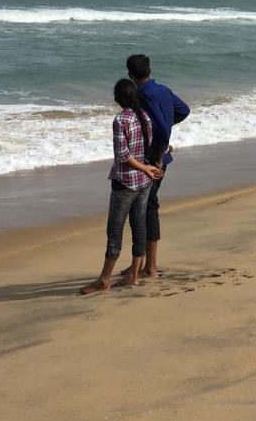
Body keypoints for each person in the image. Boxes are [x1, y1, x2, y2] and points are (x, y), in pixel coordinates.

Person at [81, 79, 163, 295]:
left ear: (118, 99)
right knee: (139, 227)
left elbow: (123, 156)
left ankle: (104, 279)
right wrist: (148, 169)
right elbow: (149, 146)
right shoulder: (144, 117)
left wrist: (145, 169)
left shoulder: (121, 120)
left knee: (115, 231)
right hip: (144, 183)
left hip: (126, 182)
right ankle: (134, 276)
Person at [126, 53, 190, 279]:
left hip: (151, 160)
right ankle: (140, 262)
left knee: (146, 209)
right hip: (158, 159)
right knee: (143, 208)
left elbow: (162, 128)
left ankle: (149, 267)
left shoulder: (143, 95)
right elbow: (183, 111)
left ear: (130, 75)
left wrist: (160, 152)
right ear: (149, 70)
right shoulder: (163, 90)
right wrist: (161, 126)